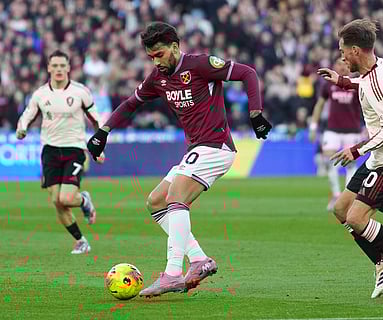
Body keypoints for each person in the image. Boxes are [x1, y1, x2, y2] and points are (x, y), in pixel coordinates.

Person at [87, 22, 272, 297]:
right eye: (151, 57)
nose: (156, 61)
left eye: (159, 54)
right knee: (156, 202)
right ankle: (198, 260)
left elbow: (248, 73)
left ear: (175, 47)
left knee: (176, 197)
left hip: (216, 147)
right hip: (196, 150)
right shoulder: (157, 78)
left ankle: (172, 274)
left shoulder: (200, 65)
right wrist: (103, 130)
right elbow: (130, 104)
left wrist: (255, 113)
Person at [317, 19, 383, 299]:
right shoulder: (377, 68)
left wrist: (356, 149)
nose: (341, 57)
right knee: (341, 210)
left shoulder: (380, 82)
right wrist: (342, 81)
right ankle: (382, 262)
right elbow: (365, 83)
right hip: (379, 158)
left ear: (355, 50)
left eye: (342, 51)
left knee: (357, 217)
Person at [16, 50, 100, 254]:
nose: (59, 69)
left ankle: (83, 200)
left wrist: (99, 146)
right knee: (56, 201)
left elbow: (97, 120)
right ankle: (81, 240)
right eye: (55, 66)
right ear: (49, 68)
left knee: (66, 198)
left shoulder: (81, 92)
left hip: (75, 149)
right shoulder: (40, 94)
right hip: (50, 151)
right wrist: (22, 127)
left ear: (69, 68)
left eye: (62, 65)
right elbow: (27, 115)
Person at [309, 58, 363, 211]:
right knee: (329, 162)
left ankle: (347, 198)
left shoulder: (356, 84)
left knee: (350, 164)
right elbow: (319, 105)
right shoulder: (328, 85)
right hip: (332, 130)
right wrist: (313, 126)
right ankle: (335, 195)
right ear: (334, 66)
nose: (343, 67)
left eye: (345, 64)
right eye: (339, 64)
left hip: (352, 130)